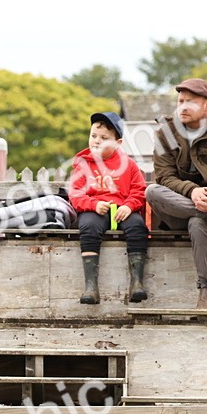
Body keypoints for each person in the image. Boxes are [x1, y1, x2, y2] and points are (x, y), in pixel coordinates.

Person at [144, 78, 207, 309]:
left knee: (198, 222)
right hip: (176, 211)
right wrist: (192, 192)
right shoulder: (166, 133)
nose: (183, 106)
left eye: (190, 102)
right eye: (180, 101)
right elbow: (164, 176)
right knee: (152, 190)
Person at [67, 111, 148, 304]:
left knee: (137, 227)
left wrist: (129, 206)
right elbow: (76, 194)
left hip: (122, 210)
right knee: (88, 227)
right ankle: (90, 287)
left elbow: (139, 190)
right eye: (93, 136)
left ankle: (137, 283)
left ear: (117, 143)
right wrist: (94, 204)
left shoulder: (128, 164)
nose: (96, 141)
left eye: (104, 138)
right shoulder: (83, 165)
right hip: (96, 210)